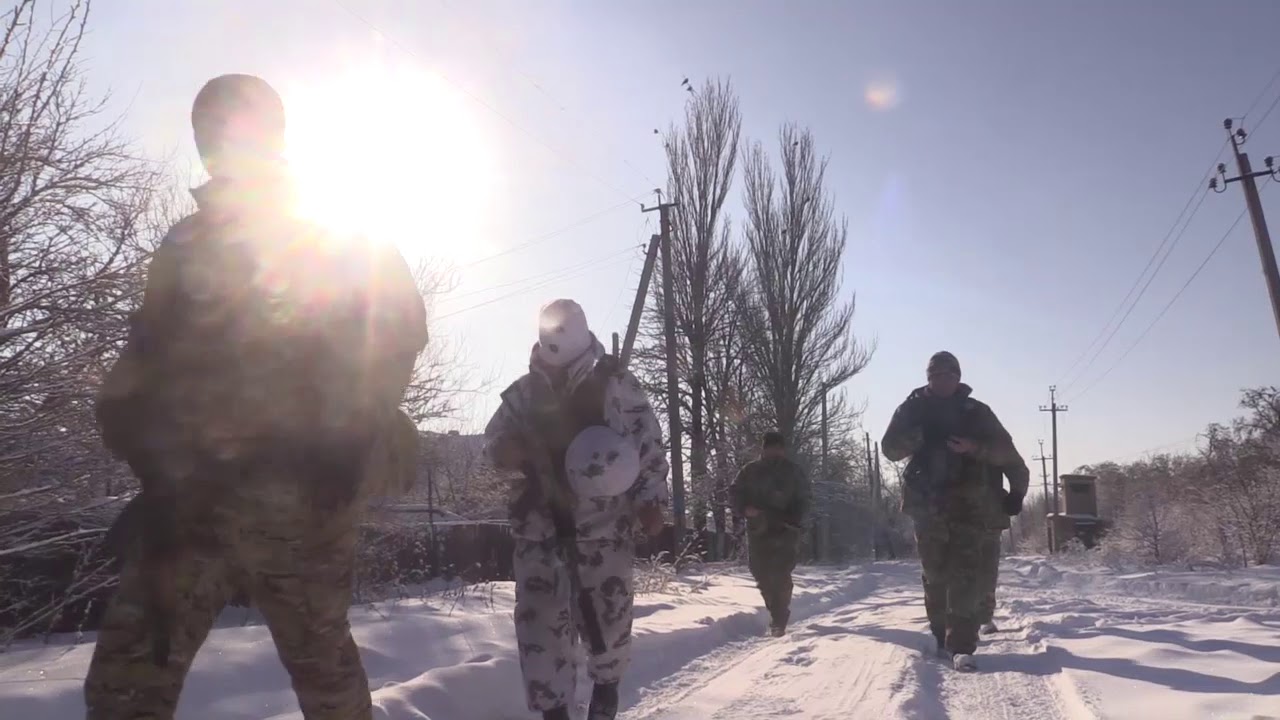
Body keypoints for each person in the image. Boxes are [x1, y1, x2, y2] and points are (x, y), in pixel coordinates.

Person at [86, 74, 427, 719]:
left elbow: (396, 334)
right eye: (209, 132)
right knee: (125, 682)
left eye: (236, 128)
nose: (221, 144)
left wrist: (350, 434)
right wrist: (128, 416)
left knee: (324, 674)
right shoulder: (184, 244)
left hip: (300, 496)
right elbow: (148, 349)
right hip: (191, 499)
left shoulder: (336, 234)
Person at [484, 299, 669, 720]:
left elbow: (648, 446)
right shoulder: (522, 394)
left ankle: (605, 696)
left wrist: (650, 500)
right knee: (540, 640)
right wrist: (503, 451)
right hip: (540, 534)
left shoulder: (618, 387)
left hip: (604, 532)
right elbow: (491, 447)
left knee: (608, 633)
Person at [881, 351, 1028, 672]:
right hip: (927, 506)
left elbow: (1008, 454)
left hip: (971, 506)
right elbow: (889, 449)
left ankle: (962, 645)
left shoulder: (977, 413)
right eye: (936, 376)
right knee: (935, 575)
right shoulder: (911, 409)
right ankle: (940, 635)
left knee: (966, 575)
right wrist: (919, 435)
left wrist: (975, 449)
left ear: (959, 377)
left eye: (949, 375)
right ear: (928, 378)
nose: (943, 381)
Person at [731, 431, 810, 638]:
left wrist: (796, 517)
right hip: (759, 530)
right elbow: (735, 493)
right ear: (764, 449)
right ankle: (777, 611)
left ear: (783, 450)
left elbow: (805, 498)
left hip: (786, 530)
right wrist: (744, 509)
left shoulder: (793, 472)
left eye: (778, 447)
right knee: (761, 573)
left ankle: (779, 618)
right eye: (770, 447)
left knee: (781, 573)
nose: (774, 451)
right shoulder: (750, 471)